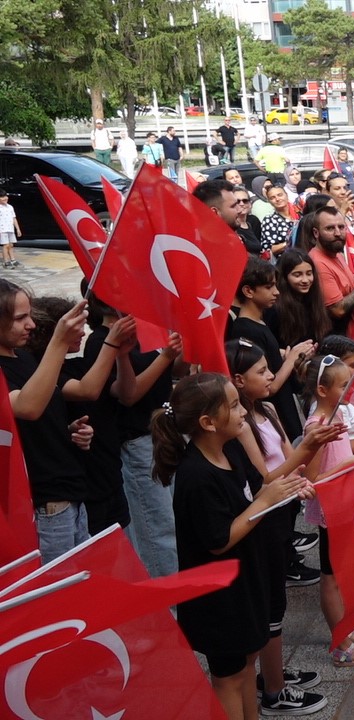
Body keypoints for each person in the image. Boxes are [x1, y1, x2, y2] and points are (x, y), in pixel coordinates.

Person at [152, 372, 313, 719]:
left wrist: (287, 489)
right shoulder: (196, 475)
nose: (243, 412)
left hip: (243, 583)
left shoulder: (232, 451)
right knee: (228, 678)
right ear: (208, 422)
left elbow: (259, 490)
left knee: (247, 662)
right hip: (217, 600)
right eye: (235, 405)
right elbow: (218, 540)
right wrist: (263, 501)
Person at [226, 340, 334, 716]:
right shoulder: (239, 427)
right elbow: (266, 477)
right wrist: (308, 452)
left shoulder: (269, 410)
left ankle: (272, 673)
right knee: (270, 604)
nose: (271, 375)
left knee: (277, 602)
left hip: (283, 512)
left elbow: (289, 460)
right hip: (264, 519)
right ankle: (274, 692)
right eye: (261, 371)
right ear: (238, 381)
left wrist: (302, 475)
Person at [0, 287, 134, 561]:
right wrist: (59, 342)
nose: (31, 325)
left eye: (31, 316)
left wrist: (70, 431)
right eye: (20, 318)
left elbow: (76, 392)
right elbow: (27, 406)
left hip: (71, 492)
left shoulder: (23, 357)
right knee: (59, 592)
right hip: (44, 503)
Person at [298, 354, 354, 667]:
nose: (350, 389)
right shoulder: (316, 426)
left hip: (346, 504)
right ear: (322, 391)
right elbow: (312, 479)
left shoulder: (338, 414)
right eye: (344, 384)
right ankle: (340, 643)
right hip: (331, 511)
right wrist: (349, 464)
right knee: (330, 577)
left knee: (341, 573)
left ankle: (347, 631)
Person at [227, 258, 313, 440]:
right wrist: (291, 360)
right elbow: (269, 387)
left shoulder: (260, 321)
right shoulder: (245, 329)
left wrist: (288, 358)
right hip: (275, 414)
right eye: (268, 287)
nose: (276, 292)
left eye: (275, 285)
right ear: (248, 291)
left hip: (285, 407)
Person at [307, 206, 354, 336]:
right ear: (316, 233)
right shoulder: (318, 263)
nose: (337, 233)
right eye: (330, 228)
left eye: (341, 227)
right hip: (339, 337)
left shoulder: (337, 254)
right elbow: (338, 309)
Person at [273, 249, 332, 348]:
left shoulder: (314, 303)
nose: (305, 280)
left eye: (309, 274)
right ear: (284, 277)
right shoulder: (275, 309)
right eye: (297, 275)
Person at [0, 190, 21, 269]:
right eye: (2, 197)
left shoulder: (10, 207)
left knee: (11, 245)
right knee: (6, 245)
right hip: (2, 229)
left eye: (5, 196)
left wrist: (18, 229)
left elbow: (14, 218)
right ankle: (6, 262)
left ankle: (13, 260)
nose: (5, 198)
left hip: (10, 229)